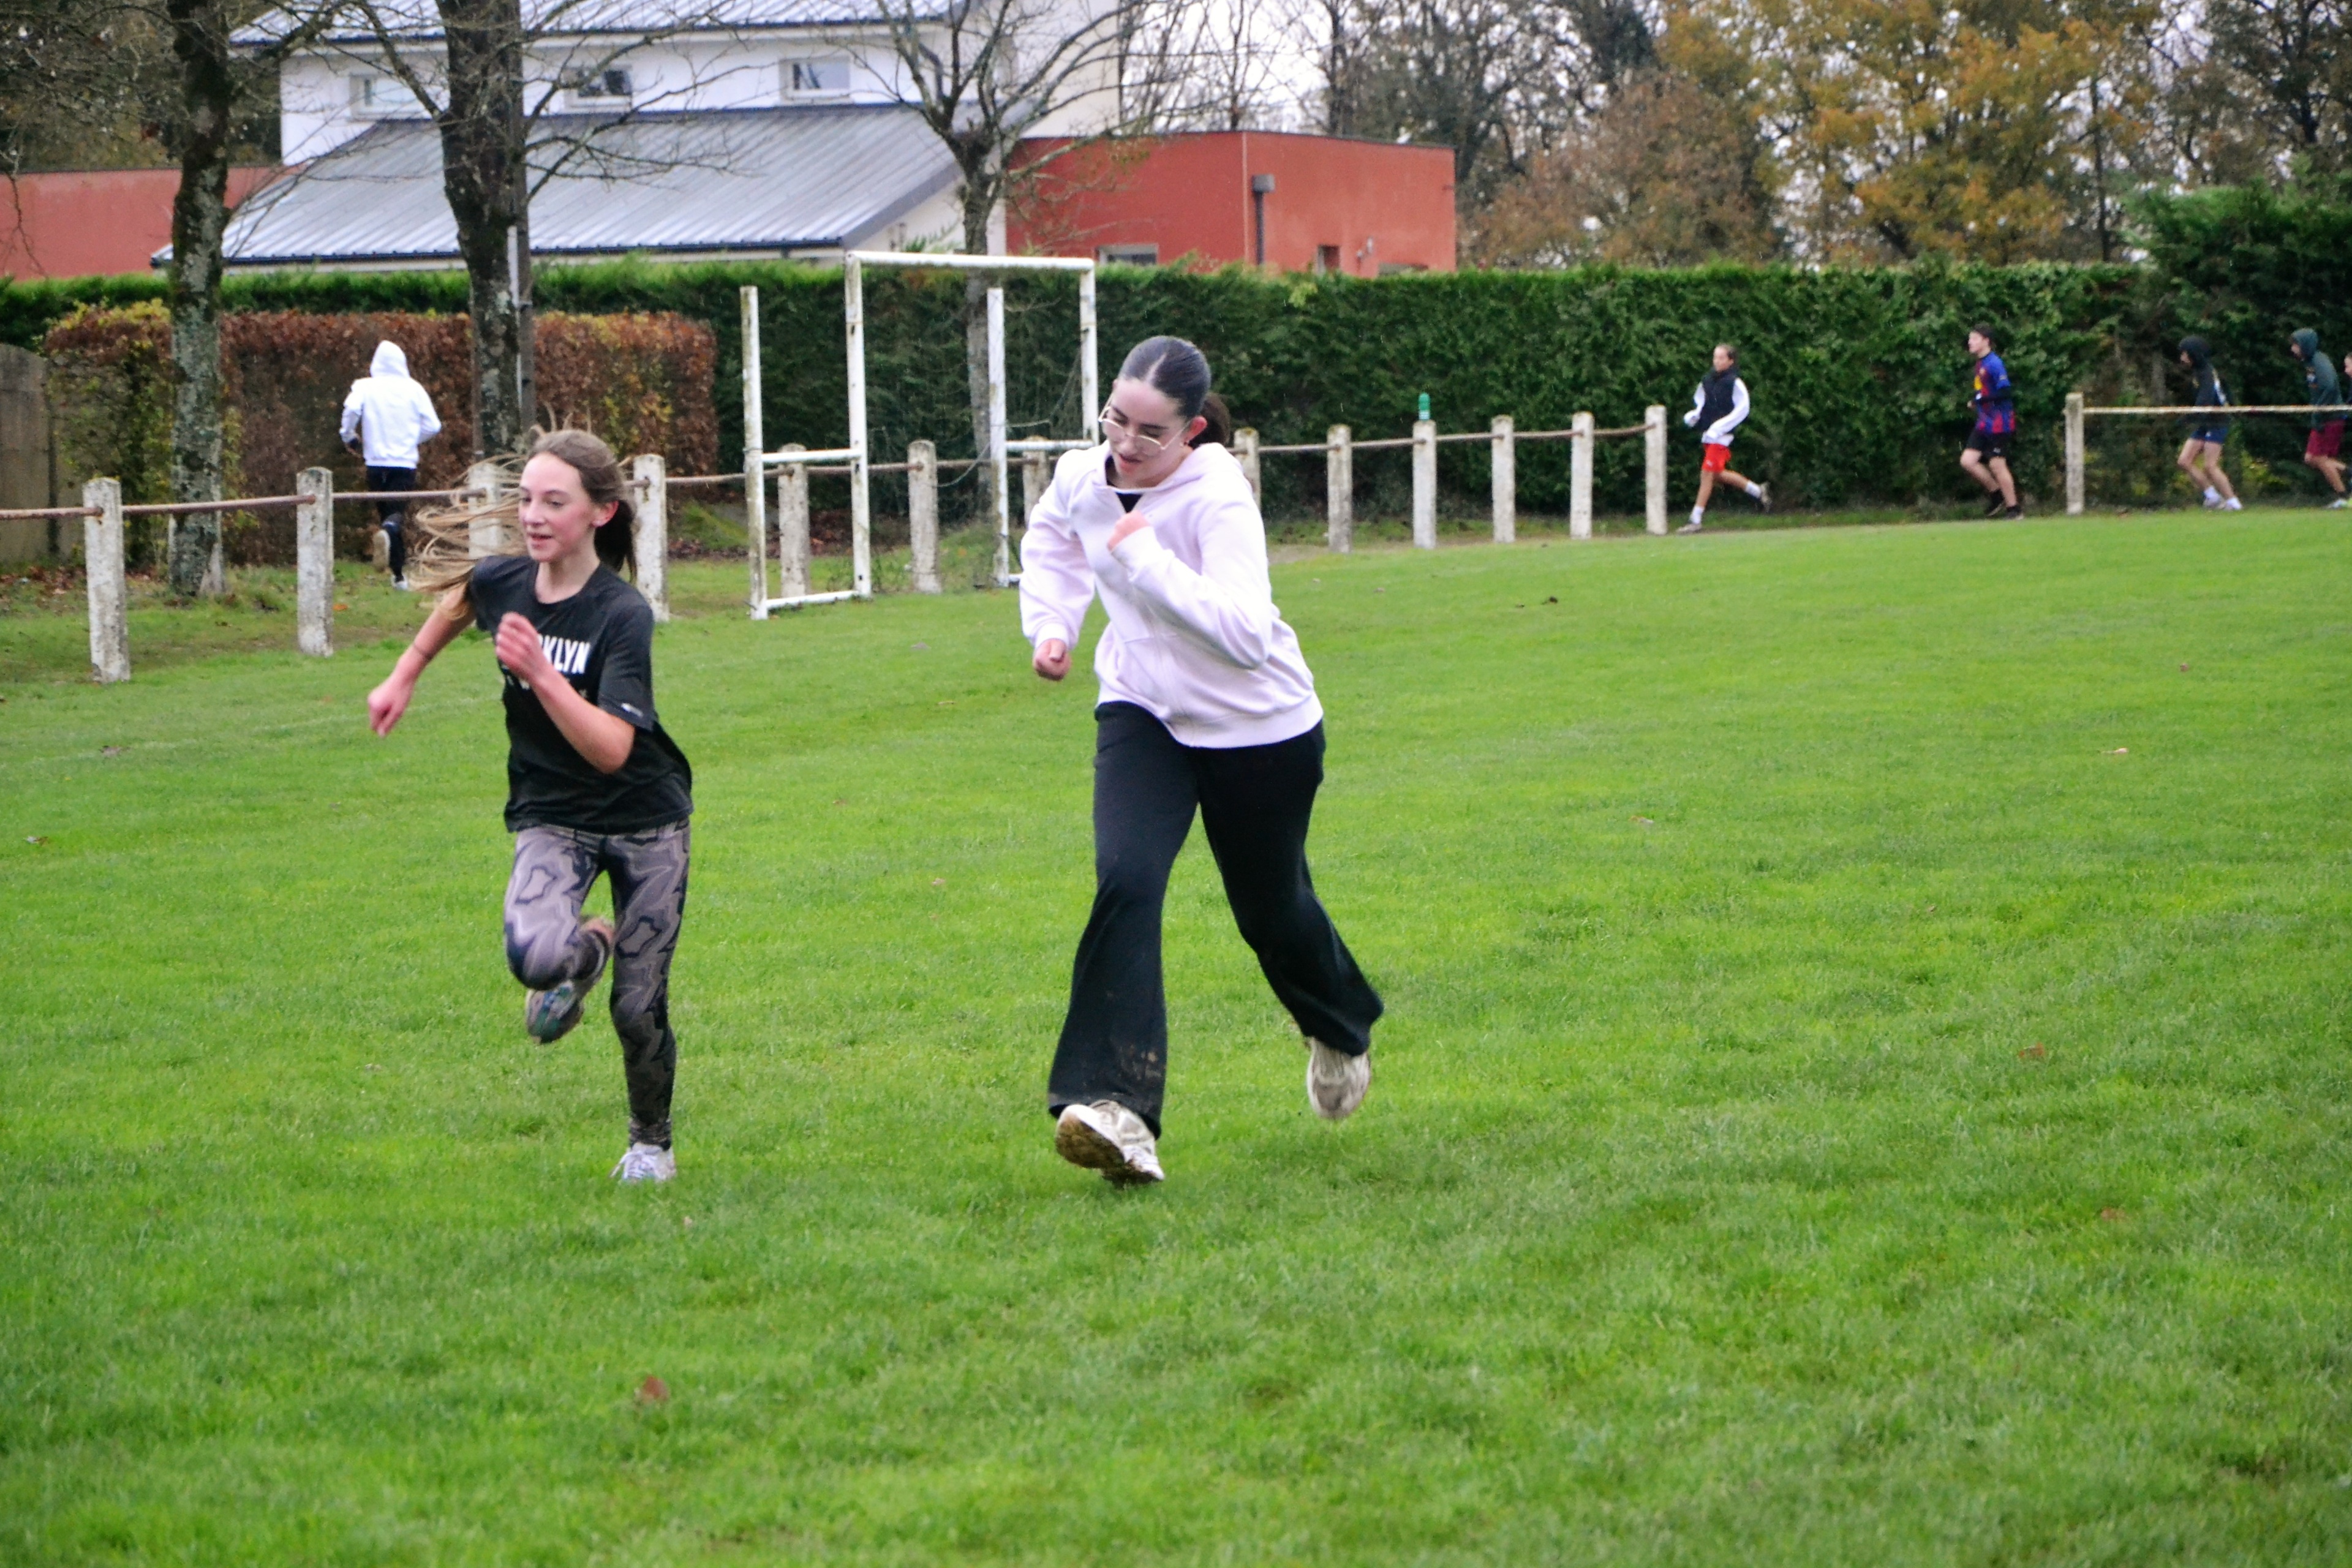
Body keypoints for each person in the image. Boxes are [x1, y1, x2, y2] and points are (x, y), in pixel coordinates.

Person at [1019, 335, 1384, 1187]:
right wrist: (1053, 622)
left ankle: (1338, 1028)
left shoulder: (1218, 494)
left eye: (1150, 432)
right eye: (1116, 419)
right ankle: (1118, 1111)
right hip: (1143, 710)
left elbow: (1248, 635)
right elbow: (1054, 542)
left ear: (1191, 433)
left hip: (1260, 728)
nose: (1126, 443)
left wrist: (1145, 559)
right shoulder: (1082, 475)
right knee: (1127, 877)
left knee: (1271, 909)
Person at [366, 430, 693, 1184]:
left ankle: (650, 1145)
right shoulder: (505, 582)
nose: (533, 516)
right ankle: (591, 950)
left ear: (600, 513)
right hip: (552, 816)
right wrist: (404, 673)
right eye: (526, 499)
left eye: (555, 502)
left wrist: (543, 675)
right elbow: (461, 601)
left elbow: (612, 749)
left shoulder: (622, 614)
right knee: (536, 959)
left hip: (646, 820)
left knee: (637, 1006)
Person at [341, 339, 444, 589]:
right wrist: (410, 439)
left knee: (388, 517)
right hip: (404, 464)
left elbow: (351, 410)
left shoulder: (365, 387)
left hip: (375, 464)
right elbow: (433, 426)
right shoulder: (414, 389)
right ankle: (398, 573)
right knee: (395, 517)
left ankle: (398, 577)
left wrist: (349, 436)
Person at [1676, 343, 1768, 533]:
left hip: (1722, 437)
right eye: (1715, 357)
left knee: (1706, 474)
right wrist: (1694, 416)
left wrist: (1720, 427)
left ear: (1730, 361)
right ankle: (1758, 491)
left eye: (1721, 358)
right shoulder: (1707, 381)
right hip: (1708, 435)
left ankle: (1695, 519)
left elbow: (1742, 409)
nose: (1717, 361)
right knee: (1717, 473)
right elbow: (1701, 403)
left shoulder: (1735, 383)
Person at [1961, 325, 2021, 519]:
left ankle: (2014, 509)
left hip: (1999, 423)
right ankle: (1997, 494)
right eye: (1970, 338)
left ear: (1986, 341)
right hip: (1984, 423)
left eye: (1974, 338)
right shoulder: (1980, 364)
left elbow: (2005, 392)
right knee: (1968, 461)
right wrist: (1977, 401)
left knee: (1997, 465)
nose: (1970, 342)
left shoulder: (1994, 363)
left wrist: (1980, 400)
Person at [2175, 337, 2241, 512]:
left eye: (2185, 354)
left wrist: (2187, 419)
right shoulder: (2198, 372)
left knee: (2210, 466)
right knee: (2184, 461)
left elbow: (2206, 400)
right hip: (2205, 421)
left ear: (2194, 354)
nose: (2182, 358)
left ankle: (2233, 503)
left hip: (2217, 421)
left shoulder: (2207, 373)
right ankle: (2212, 496)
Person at [2289, 329, 2348, 508]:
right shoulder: (2310, 363)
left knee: (2319, 458)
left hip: (2330, 417)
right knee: (2311, 458)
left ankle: (2344, 497)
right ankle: (2350, 474)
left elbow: (2329, 386)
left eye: (2296, 345)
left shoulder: (2319, 361)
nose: (2293, 349)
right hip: (2325, 417)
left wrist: (2318, 411)